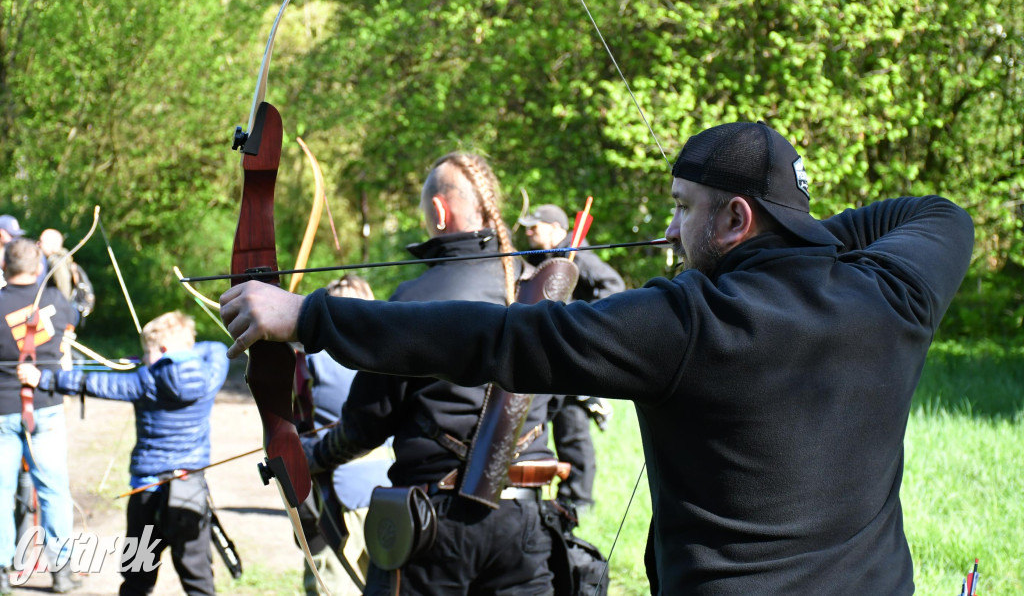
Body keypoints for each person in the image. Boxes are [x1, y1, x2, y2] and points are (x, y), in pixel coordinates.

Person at [220, 121, 975, 595]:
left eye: (684, 208)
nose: (674, 232)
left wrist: (303, 315)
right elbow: (939, 215)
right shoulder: (896, 296)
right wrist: (795, 239)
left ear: (737, 218)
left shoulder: (689, 322)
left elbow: (498, 339)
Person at [300, 153, 558, 595]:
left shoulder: (415, 299)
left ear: (439, 211)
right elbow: (558, 401)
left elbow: (366, 423)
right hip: (527, 522)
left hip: (436, 523)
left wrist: (314, 456)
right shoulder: (547, 292)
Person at [20, 311, 229, 596]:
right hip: (190, 488)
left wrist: (43, 378)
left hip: (147, 491)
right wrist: (182, 354)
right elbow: (216, 347)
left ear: (164, 350)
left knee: (137, 579)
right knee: (199, 582)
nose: (144, 359)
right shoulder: (211, 373)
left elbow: (92, 383)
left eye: (148, 352)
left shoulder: (146, 381)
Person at [519, 203, 623, 515]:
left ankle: (579, 499)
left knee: (572, 427)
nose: (528, 232)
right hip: (548, 356)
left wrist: (581, 320)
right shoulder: (541, 259)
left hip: (571, 354)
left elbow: (613, 286)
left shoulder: (580, 257)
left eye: (534, 227)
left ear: (554, 228)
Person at [300, 274, 392, 596]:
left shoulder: (315, 361)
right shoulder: (392, 354)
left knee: (332, 583)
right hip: (392, 490)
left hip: (336, 492)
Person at [0, 238, 79, 594]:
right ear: (36, 270)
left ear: (4, 268)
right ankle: (61, 572)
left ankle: (2, 572)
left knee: (1, 492)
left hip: (3, 410)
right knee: (53, 490)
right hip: (45, 407)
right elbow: (68, 330)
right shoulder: (55, 300)